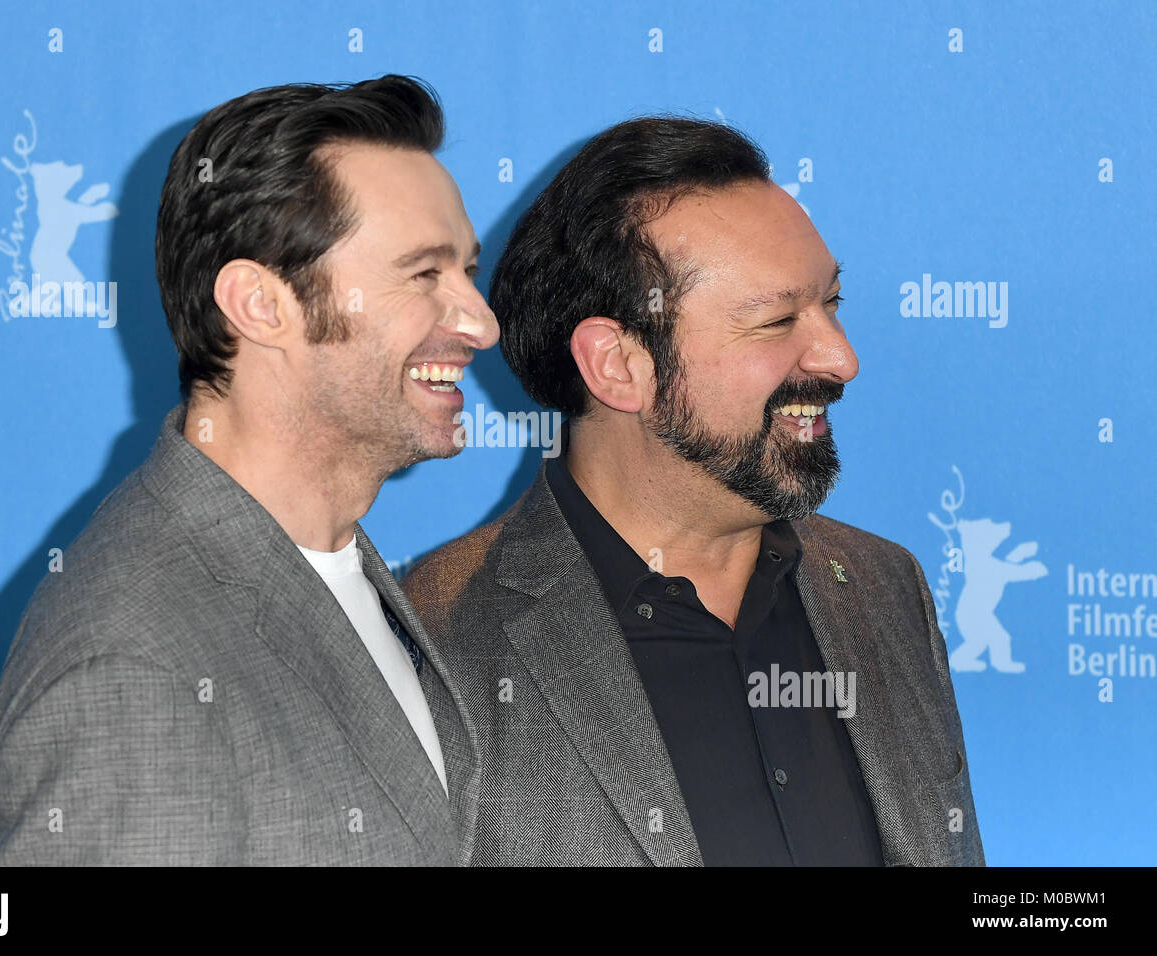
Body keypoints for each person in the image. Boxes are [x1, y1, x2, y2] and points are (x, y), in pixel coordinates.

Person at [402, 116, 984, 866]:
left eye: (832, 304)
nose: (841, 358)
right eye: (776, 321)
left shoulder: (882, 587)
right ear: (617, 365)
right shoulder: (436, 645)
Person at [0, 75, 498, 865]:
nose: (479, 322)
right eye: (425, 274)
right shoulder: (131, 674)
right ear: (260, 305)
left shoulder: (339, 572)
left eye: (468, 271)